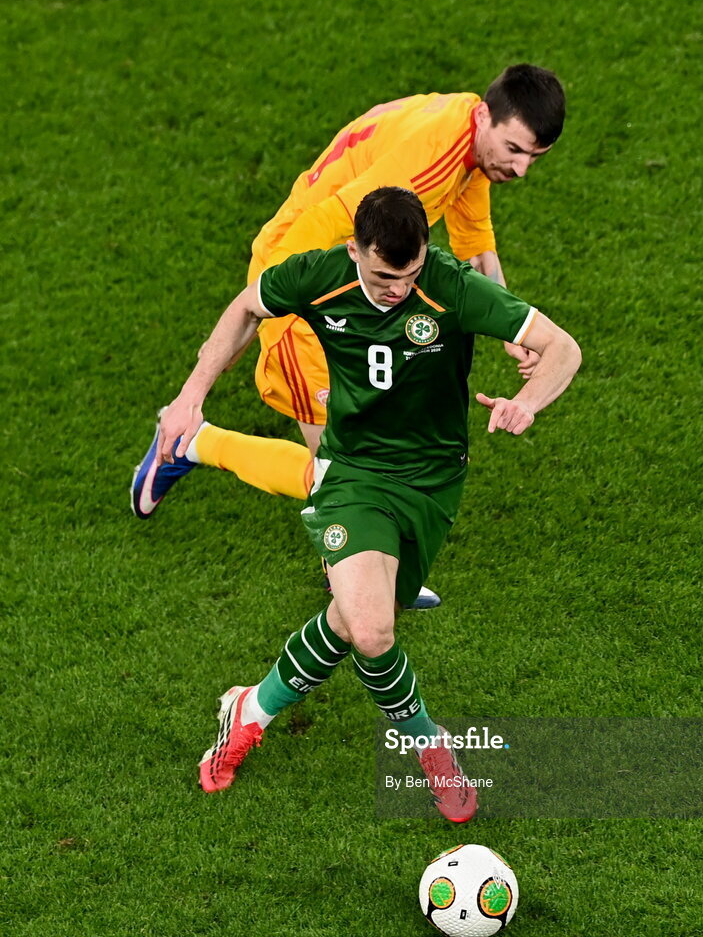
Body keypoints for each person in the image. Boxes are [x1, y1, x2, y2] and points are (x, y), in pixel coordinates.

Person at [164, 186, 581, 822]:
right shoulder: (319, 276)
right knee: (372, 628)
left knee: (353, 616)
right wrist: (194, 393)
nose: (399, 290)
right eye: (386, 276)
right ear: (355, 249)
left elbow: (563, 348)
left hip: (433, 483)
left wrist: (529, 403)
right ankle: (430, 746)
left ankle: (250, 708)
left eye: (411, 275)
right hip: (353, 472)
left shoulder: (451, 287)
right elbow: (246, 309)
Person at [131, 64, 566, 607]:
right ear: (485, 116)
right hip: (310, 278)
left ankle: (350, 561)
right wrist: (306, 306)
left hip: (361, 282)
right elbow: (326, 227)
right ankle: (190, 443)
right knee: (337, 472)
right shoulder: (423, 167)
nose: (521, 170)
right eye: (516, 150)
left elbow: (475, 238)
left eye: (534, 157)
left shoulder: (470, 136)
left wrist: (509, 328)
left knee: (364, 447)